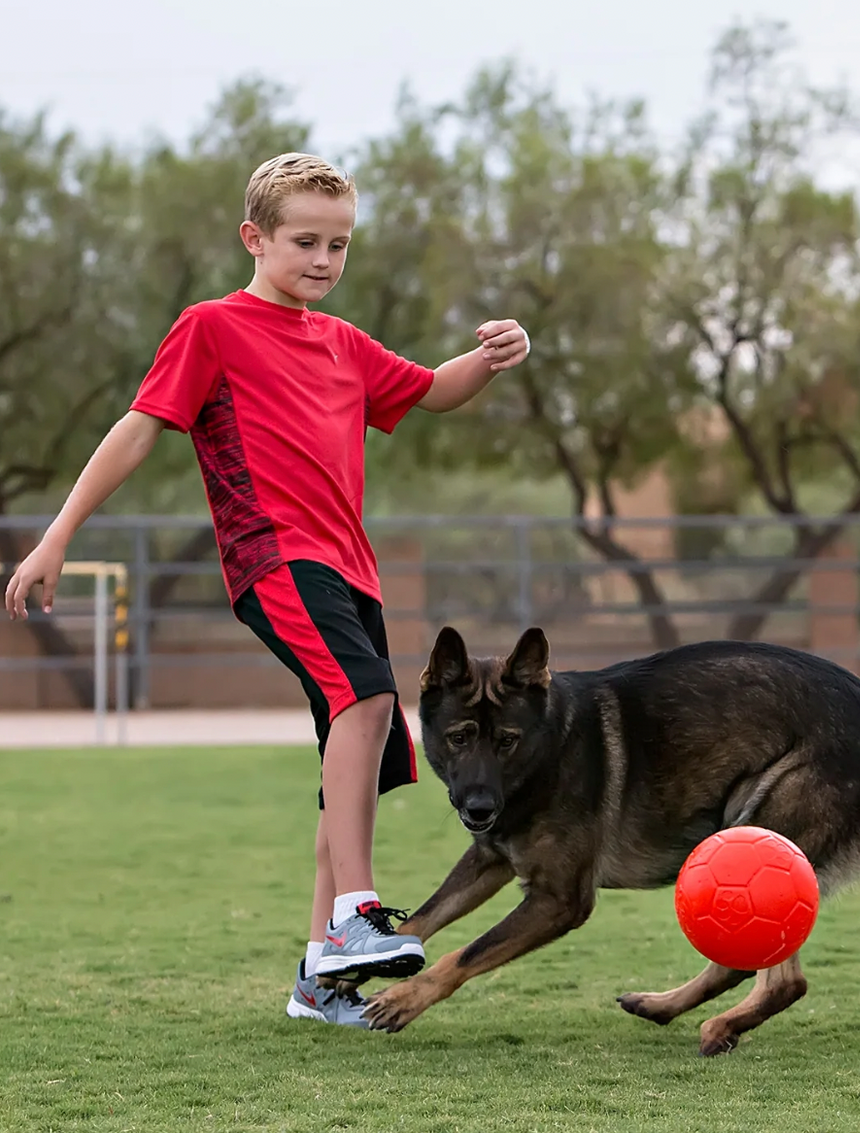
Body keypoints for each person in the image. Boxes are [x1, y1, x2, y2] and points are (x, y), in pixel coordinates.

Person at [4, 152, 530, 1028]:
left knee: (351, 747)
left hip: (350, 568)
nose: (324, 259)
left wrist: (490, 357)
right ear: (255, 238)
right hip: (276, 559)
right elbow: (138, 432)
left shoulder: (344, 342)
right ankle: (357, 916)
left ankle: (320, 982)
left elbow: (433, 392)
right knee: (366, 700)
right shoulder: (212, 326)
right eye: (305, 241)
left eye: (340, 244)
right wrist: (58, 533)